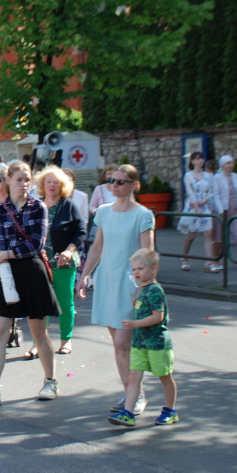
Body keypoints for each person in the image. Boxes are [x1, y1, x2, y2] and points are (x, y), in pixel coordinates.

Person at [0, 160, 61, 409]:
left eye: (27, 179)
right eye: (19, 179)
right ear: (8, 181)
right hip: (7, 273)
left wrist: (8, 254)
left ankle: (50, 381)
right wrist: (6, 255)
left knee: (38, 332)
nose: (24, 184)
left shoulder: (38, 207)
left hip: (32, 271)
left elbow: (36, 244)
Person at [77, 164, 155, 416]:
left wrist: (144, 287)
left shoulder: (143, 215)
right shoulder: (103, 212)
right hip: (107, 279)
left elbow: (147, 254)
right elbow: (97, 247)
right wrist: (85, 274)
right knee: (118, 343)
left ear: (134, 185)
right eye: (112, 180)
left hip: (130, 282)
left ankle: (137, 393)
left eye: (121, 181)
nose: (115, 185)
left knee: (124, 340)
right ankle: (129, 391)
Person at [109, 249, 178, 427]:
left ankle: (170, 410)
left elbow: (158, 317)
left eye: (141, 268)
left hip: (156, 344)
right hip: (140, 343)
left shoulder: (155, 290)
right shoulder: (143, 290)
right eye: (134, 269)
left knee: (164, 376)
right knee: (134, 376)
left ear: (154, 269)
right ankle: (128, 412)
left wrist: (134, 324)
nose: (136, 272)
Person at [35, 166, 85, 356]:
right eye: (48, 182)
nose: (52, 185)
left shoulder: (68, 205)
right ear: (42, 185)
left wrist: (70, 250)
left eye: (56, 182)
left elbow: (81, 231)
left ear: (62, 185)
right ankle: (38, 342)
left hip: (63, 262)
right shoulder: (36, 205)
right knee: (40, 303)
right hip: (40, 262)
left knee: (65, 302)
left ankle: (66, 340)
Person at [177, 152, 217, 272]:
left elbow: (212, 190)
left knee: (208, 233)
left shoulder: (208, 175)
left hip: (205, 206)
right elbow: (190, 191)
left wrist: (205, 201)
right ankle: (184, 257)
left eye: (201, 158)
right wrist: (196, 206)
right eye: (197, 159)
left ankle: (208, 263)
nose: (200, 161)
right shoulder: (188, 175)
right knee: (191, 235)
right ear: (193, 161)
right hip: (193, 206)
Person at [212, 155, 237, 270]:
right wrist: (220, 210)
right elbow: (216, 194)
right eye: (227, 163)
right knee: (219, 238)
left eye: (231, 163)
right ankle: (216, 260)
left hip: (235, 209)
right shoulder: (217, 177)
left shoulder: (236, 176)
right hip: (222, 210)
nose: (230, 165)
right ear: (222, 165)